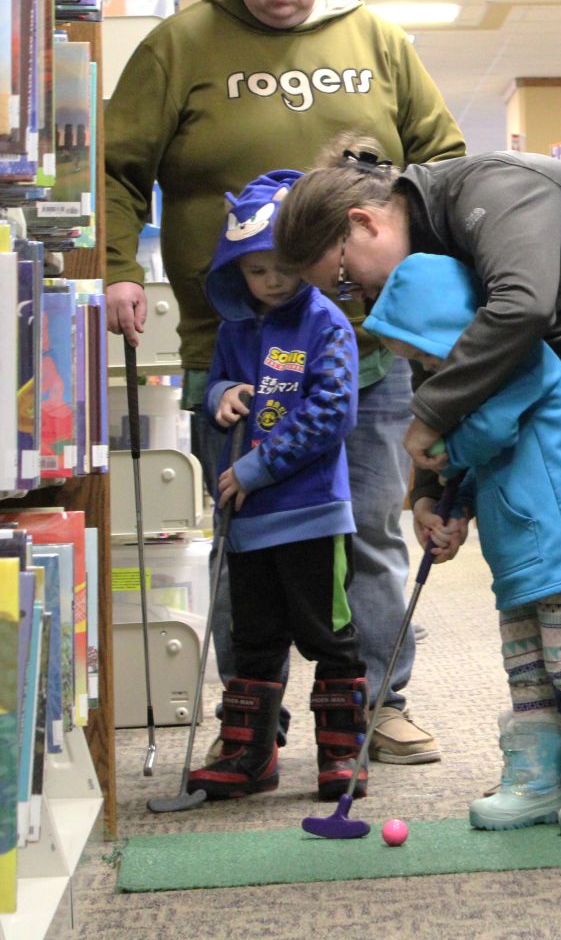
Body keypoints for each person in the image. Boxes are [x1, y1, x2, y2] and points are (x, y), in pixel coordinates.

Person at [104, 0, 466, 764]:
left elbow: (446, 163)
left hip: (365, 346)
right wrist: (114, 269)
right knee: (248, 532)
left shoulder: (376, 38)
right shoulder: (179, 43)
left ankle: (380, 703)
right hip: (230, 347)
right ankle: (251, 720)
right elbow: (116, 170)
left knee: (370, 525)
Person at [275, 141, 561, 804]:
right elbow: (439, 357)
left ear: (363, 222)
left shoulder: (489, 190)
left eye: (346, 281)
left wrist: (431, 419)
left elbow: (520, 309)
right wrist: (434, 490)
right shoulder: (421, 252)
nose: (358, 301)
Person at [363, 253, 561, 836]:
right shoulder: (470, 383)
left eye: (426, 354)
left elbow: (486, 435)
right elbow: (472, 460)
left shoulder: (518, 361)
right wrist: (451, 510)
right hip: (518, 550)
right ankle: (537, 781)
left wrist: (435, 449)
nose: (428, 369)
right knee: (524, 668)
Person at [186, 170, 367, 803]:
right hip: (249, 521)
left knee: (329, 636)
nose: (272, 281)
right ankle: (249, 754)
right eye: (256, 271)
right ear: (237, 273)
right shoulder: (236, 331)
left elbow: (333, 411)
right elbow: (214, 388)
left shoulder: (326, 323)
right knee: (254, 639)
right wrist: (220, 396)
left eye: (283, 267)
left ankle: (343, 755)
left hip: (312, 515)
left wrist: (258, 468)